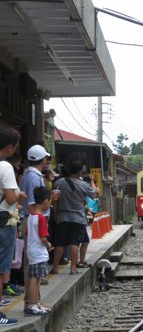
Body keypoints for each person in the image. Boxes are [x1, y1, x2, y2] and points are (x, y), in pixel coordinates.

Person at [51, 160, 98, 275]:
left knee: (60, 243)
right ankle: (73, 268)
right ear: (79, 172)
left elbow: (55, 198)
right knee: (74, 243)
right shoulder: (83, 184)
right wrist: (92, 181)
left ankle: (55, 268)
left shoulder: (60, 182)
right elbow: (94, 194)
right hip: (77, 218)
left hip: (62, 217)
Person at [0, 124, 26, 327]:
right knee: (1, 269)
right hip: (3, 222)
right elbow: (10, 198)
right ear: (9, 147)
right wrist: (20, 194)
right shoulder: (5, 166)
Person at [24, 186, 53, 315]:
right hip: (38, 252)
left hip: (31, 250)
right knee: (35, 278)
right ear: (46, 201)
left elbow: (27, 233)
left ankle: (35, 303)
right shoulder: (41, 218)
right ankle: (32, 305)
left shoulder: (30, 216)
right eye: (50, 201)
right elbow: (43, 237)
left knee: (35, 277)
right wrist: (48, 244)